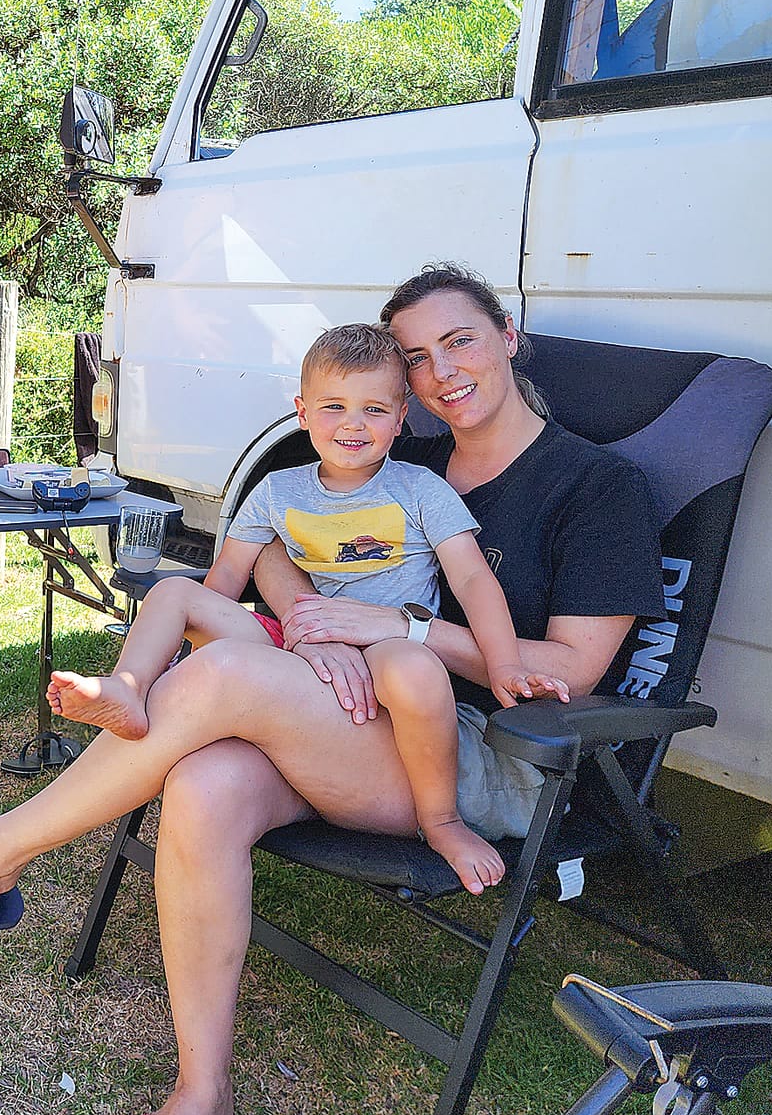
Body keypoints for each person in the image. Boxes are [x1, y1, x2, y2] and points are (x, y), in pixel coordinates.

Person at [0, 263, 662, 1115]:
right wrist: (314, 625)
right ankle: (203, 1093)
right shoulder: (406, 457)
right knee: (202, 783)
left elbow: (568, 673)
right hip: (351, 716)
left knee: (230, 669)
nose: (440, 372)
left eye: (462, 342)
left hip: (481, 758)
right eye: (416, 357)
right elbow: (280, 546)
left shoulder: (595, 486)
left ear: (508, 338)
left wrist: (392, 627)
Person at [48, 322, 567, 894]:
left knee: (414, 667)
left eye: (374, 410)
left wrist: (505, 665)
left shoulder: (419, 488)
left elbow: (473, 580)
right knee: (174, 590)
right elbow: (224, 578)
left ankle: (440, 820)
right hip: (303, 649)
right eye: (334, 407)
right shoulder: (276, 491)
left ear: (400, 419)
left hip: (388, 651)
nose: (353, 424)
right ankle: (129, 683)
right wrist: (193, 638)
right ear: (302, 411)